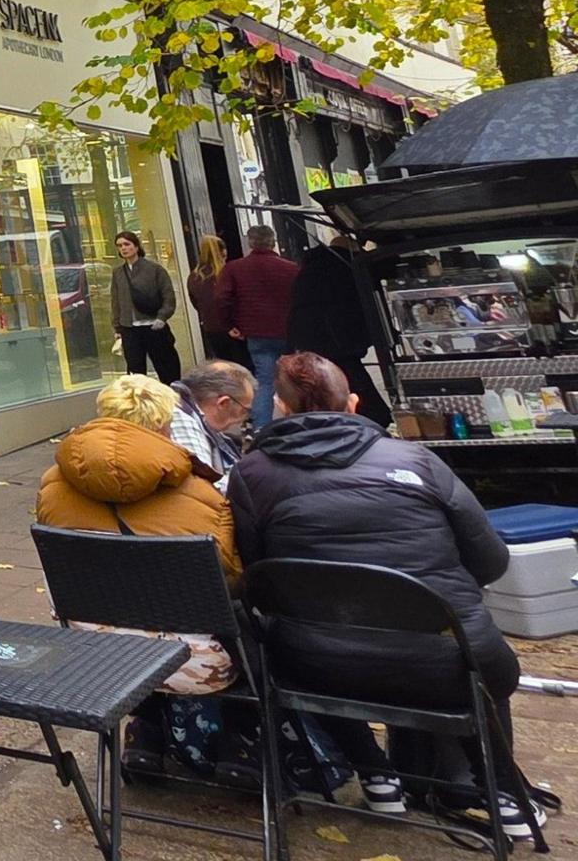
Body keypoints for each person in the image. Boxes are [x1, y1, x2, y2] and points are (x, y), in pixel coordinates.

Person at [230, 352, 528, 834]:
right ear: (352, 404)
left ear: (281, 410)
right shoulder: (416, 460)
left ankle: (376, 773)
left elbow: (259, 573)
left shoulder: (251, 474)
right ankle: (496, 792)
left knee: (299, 632)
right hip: (449, 664)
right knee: (466, 641)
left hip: (312, 665)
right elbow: (491, 561)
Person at [36, 375, 242, 772]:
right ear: (165, 425)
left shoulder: (53, 489)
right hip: (194, 664)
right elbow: (230, 581)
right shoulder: (202, 496)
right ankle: (234, 737)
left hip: (92, 658)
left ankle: (147, 728)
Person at [288, 231, 392, 425]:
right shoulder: (343, 267)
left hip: (310, 339)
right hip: (337, 339)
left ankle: (358, 418)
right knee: (351, 381)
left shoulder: (309, 268)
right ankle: (373, 419)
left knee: (331, 382)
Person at [216, 225, 300, 421]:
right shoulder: (291, 268)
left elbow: (221, 298)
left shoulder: (234, 268)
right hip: (286, 330)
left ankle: (261, 426)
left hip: (256, 332)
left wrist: (229, 325)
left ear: (250, 242)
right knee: (292, 380)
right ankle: (298, 421)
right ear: (273, 242)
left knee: (265, 381)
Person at [111, 230, 182, 384]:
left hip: (153, 326)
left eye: (127, 244)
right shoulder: (118, 273)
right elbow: (116, 301)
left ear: (136, 246)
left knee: (166, 367)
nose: (123, 248)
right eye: (119, 245)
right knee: (135, 372)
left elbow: (168, 296)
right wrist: (117, 327)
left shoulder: (154, 269)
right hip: (129, 329)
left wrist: (162, 317)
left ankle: (173, 399)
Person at [170, 361, 257, 475]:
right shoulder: (180, 420)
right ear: (223, 403)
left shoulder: (197, 417)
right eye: (244, 411)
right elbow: (204, 484)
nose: (244, 418)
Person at [187, 235, 246, 367]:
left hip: (211, 327)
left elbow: (195, 302)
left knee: (224, 366)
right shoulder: (228, 273)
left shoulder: (194, 277)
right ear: (223, 252)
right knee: (243, 367)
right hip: (234, 328)